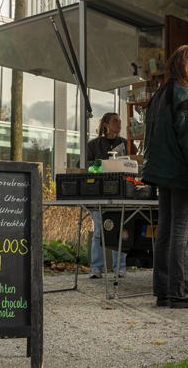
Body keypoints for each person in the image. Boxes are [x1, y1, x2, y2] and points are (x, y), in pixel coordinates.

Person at [141, 45, 188, 309]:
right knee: (180, 234)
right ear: (186, 65)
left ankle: (164, 292)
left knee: (166, 232)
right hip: (182, 174)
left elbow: (159, 138)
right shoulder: (187, 96)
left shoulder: (160, 95)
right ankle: (181, 292)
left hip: (162, 173)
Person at [84, 112, 129, 279]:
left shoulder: (126, 143)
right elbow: (84, 165)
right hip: (99, 192)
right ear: (106, 124)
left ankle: (120, 268)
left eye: (120, 121)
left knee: (121, 230)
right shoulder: (93, 145)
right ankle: (96, 268)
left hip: (120, 192)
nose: (119, 124)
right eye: (115, 121)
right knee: (98, 232)